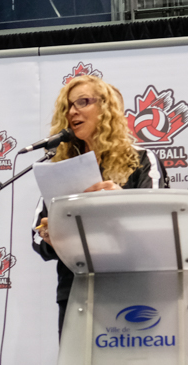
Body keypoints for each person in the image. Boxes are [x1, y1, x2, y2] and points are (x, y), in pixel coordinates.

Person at [32, 76, 164, 333]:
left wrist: (120, 201)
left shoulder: (141, 159)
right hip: (75, 290)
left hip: (129, 288)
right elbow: (37, 236)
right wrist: (50, 235)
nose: (73, 112)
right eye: (68, 106)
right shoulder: (61, 168)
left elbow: (158, 223)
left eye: (82, 102)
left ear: (106, 108)